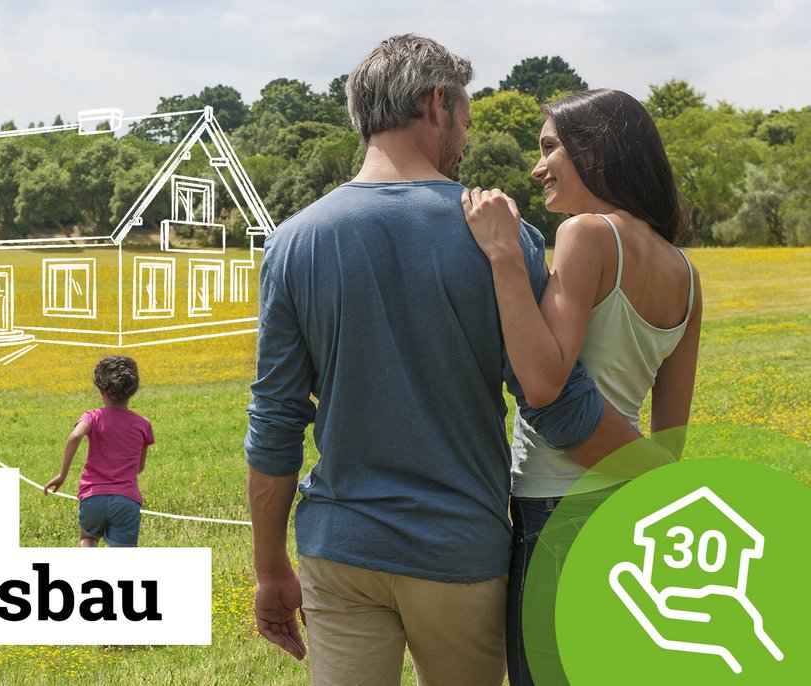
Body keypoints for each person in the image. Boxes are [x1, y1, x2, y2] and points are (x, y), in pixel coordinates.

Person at [245, 35, 641, 685]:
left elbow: (275, 421)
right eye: (466, 116)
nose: (465, 136)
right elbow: (554, 401)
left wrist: (269, 570)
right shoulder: (501, 235)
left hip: (339, 551)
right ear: (437, 104)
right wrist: (653, 471)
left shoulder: (292, 242)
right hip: (458, 553)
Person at [462, 89, 703, 686]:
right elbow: (669, 447)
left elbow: (543, 381)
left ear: (595, 152)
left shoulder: (586, 234)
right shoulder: (686, 273)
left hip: (554, 510)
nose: (537, 167)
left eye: (550, 149)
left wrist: (503, 255)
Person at [45, 355, 154, 548]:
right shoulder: (143, 425)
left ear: (102, 391)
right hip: (126, 501)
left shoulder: (93, 417)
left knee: (88, 538)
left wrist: (62, 474)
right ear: (132, 391)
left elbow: (75, 436)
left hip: (93, 497)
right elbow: (139, 467)